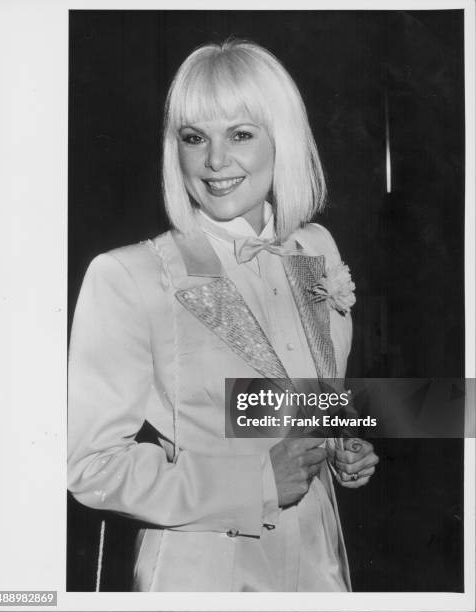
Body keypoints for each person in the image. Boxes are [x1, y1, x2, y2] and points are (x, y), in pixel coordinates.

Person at [68, 39, 379, 592]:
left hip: (320, 562)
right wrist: (255, 481)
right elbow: (90, 468)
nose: (214, 161)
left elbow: (307, 397)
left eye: (240, 134)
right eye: (194, 137)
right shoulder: (130, 276)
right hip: (202, 572)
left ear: (281, 139)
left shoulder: (316, 248)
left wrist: (338, 443)